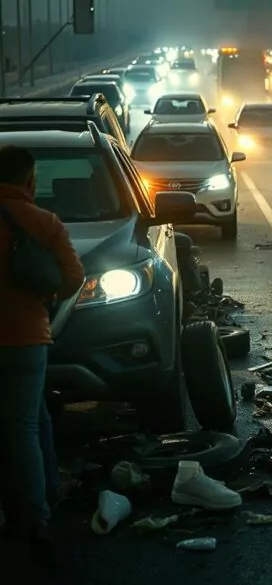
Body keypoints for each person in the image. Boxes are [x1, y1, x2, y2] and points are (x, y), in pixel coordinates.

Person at [0, 145, 84, 565]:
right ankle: (35, 519)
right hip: (28, 339)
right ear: (31, 180)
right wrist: (46, 297)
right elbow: (73, 277)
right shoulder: (44, 222)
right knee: (24, 428)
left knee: (24, 423)